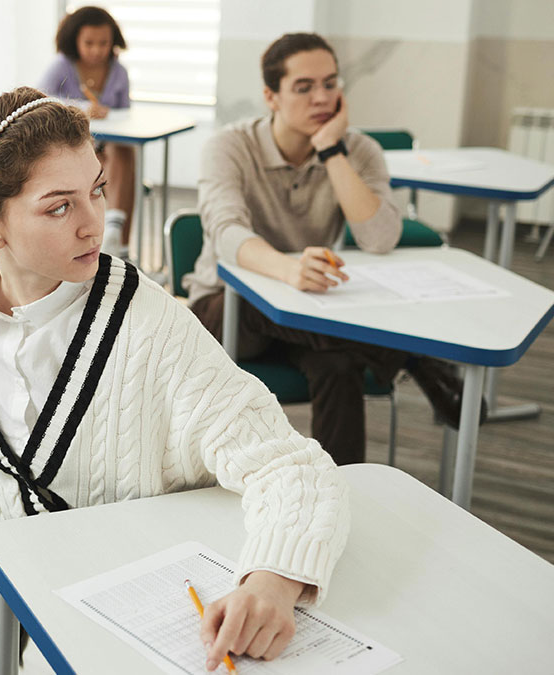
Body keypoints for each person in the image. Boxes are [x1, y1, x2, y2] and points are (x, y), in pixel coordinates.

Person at [0, 87, 350, 673]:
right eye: (59, 207)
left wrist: (272, 580)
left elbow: (289, 465)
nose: (94, 225)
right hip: (6, 591)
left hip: (141, 590)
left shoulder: (149, 320)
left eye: (97, 191)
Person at [183, 32, 473, 466]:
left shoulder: (360, 150)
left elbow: (379, 237)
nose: (322, 97)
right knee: (254, 303)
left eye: (331, 83)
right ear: (271, 96)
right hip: (228, 310)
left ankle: (344, 487)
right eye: (304, 87)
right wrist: (285, 269)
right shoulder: (229, 146)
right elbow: (226, 233)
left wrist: (332, 150)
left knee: (338, 367)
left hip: (310, 312)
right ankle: (410, 354)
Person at [38, 6, 136, 259]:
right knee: (113, 161)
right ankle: (113, 239)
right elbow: (39, 105)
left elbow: (125, 118)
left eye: (103, 43)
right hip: (70, 149)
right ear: (75, 41)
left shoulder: (119, 72)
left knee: (124, 152)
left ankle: (117, 240)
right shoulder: (60, 67)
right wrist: (84, 108)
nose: (97, 50)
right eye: (89, 43)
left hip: (109, 151)